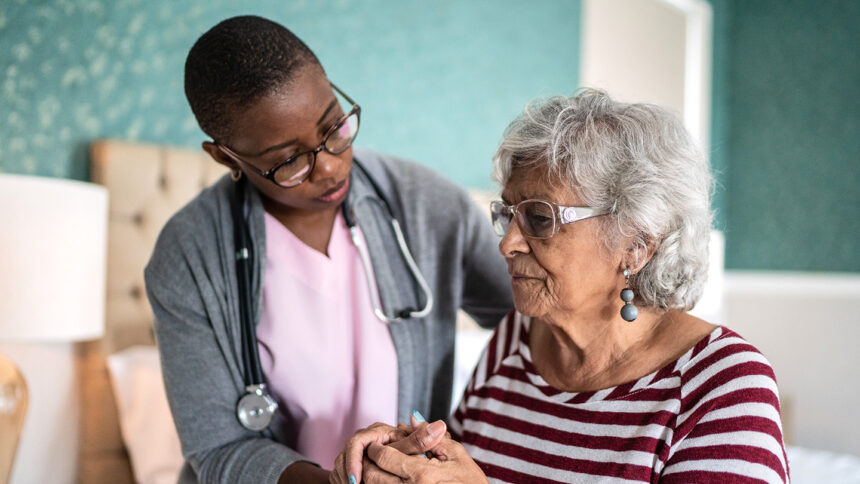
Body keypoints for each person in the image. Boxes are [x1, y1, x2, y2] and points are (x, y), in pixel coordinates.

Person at [335, 89, 789, 483]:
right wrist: (404, 458)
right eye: (508, 215)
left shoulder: (723, 386)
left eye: (538, 218)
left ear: (635, 245)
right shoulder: (516, 340)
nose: (508, 244)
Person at [143, 15, 513, 484]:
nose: (330, 168)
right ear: (226, 156)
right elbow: (219, 449)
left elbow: (534, 323)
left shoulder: (428, 206)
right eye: (290, 161)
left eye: (334, 127)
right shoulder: (189, 256)